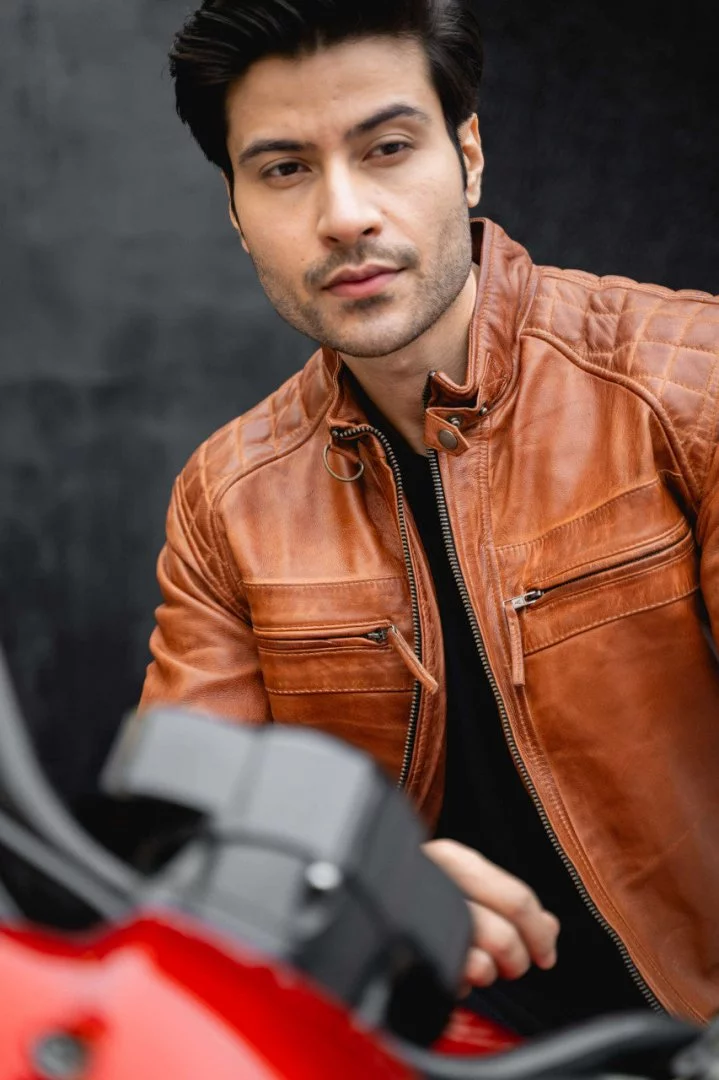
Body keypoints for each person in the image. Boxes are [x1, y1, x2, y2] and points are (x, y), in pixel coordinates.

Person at [139, 0, 719, 1035]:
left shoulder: (686, 382)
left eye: (387, 148)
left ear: (468, 157)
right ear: (235, 212)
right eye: (284, 169)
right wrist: (366, 883)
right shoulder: (228, 496)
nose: (344, 215)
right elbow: (184, 852)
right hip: (404, 1048)